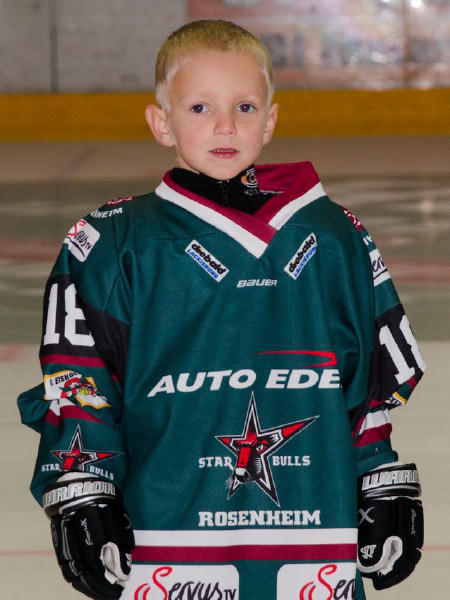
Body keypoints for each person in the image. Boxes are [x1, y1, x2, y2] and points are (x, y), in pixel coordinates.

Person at [18, 19, 425, 600]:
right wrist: (85, 487)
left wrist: (379, 476)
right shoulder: (112, 241)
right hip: (166, 543)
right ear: (161, 122)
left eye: (245, 107)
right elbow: (79, 380)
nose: (226, 125)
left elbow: (366, 386)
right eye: (200, 108)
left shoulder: (335, 237)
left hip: (315, 541)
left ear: (271, 120)